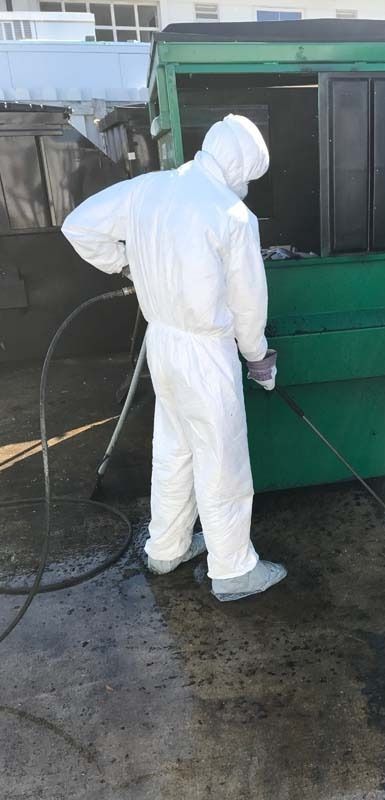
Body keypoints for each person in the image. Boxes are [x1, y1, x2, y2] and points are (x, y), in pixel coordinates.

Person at [62, 114, 286, 602]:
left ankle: (167, 547)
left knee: (174, 448)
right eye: (249, 173)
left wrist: (124, 264)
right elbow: (248, 304)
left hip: (161, 342)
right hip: (206, 352)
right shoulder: (232, 216)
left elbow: (76, 225)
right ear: (237, 163)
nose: (247, 184)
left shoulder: (148, 189)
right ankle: (232, 570)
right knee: (221, 459)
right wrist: (257, 358)